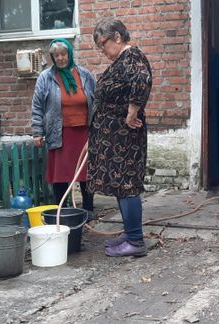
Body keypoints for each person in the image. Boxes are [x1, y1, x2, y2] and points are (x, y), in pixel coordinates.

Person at [89, 18, 153, 257]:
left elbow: (142, 80)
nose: (102, 51)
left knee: (127, 185)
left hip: (125, 137)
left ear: (116, 37)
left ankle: (136, 241)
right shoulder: (121, 61)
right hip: (112, 137)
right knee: (120, 184)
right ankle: (130, 231)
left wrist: (132, 112)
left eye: (102, 45)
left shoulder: (132, 58)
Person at [31, 38, 96, 216]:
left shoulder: (85, 75)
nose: (60, 58)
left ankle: (88, 209)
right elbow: (37, 106)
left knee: (86, 172)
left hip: (84, 132)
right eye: (56, 55)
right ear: (52, 57)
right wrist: (37, 131)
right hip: (59, 132)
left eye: (63, 54)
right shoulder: (46, 77)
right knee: (60, 174)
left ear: (70, 54)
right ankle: (62, 211)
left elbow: (97, 101)